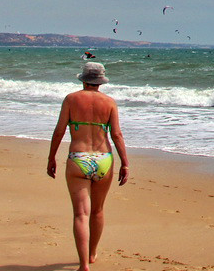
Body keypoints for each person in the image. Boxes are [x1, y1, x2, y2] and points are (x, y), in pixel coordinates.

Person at [47, 61, 129, 271]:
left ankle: (84, 265)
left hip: (78, 158)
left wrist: (52, 157)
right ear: (100, 81)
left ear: (83, 79)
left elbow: (59, 131)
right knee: (98, 211)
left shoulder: (71, 99)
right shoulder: (109, 102)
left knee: (80, 214)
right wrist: (125, 164)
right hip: (103, 158)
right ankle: (92, 254)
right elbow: (117, 135)